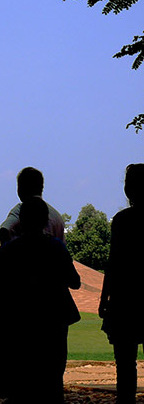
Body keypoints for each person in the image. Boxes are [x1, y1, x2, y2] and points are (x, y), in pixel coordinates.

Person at [0, 197, 81, 403]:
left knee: (22, 386)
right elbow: (75, 282)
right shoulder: (56, 247)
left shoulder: (7, 251)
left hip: (18, 328)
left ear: (21, 222)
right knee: (52, 382)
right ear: (46, 220)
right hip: (53, 326)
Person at [99, 163, 144, 404]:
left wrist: (104, 299)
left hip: (125, 301)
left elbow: (113, 263)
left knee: (125, 366)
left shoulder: (122, 221)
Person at [0, 167, 66, 244]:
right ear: (41, 188)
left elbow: (4, 230)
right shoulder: (56, 216)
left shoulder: (20, 210)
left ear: (21, 188)